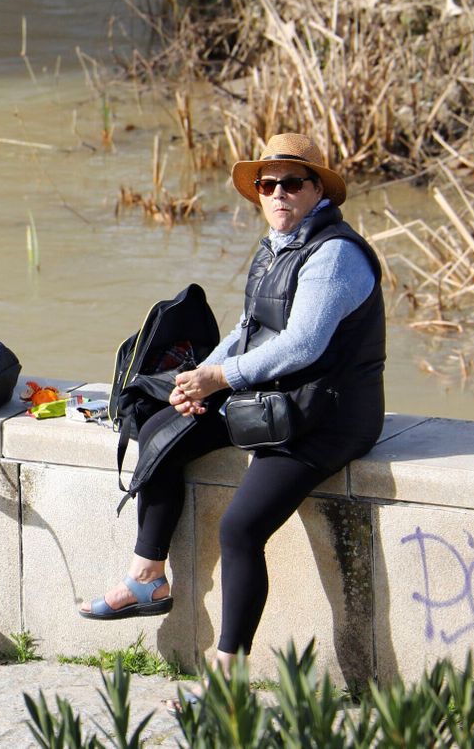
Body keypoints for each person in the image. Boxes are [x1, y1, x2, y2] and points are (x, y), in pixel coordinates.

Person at [79, 132, 384, 672]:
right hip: (273, 398)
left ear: (319, 190)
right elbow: (249, 329)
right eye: (268, 185)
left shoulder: (334, 254)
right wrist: (195, 379)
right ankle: (147, 577)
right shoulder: (276, 245)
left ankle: (227, 674)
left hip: (327, 416)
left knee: (240, 528)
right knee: (161, 431)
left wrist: (220, 378)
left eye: (293, 183)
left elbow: (302, 345)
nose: (278, 193)